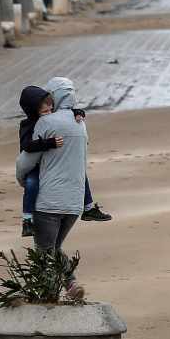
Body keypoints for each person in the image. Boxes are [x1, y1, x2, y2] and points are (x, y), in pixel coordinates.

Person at [16, 77, 100, 266]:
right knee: (54, 248)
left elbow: (26, 161)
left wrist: (24, 180)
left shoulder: (45, 122)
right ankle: (71, 286)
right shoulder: (80, 122)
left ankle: (50, 292)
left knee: (44, 254)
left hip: (49, 201)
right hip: (74, 203)